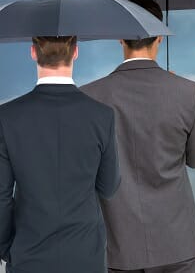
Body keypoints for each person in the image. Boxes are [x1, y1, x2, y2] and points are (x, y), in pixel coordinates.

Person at [82, 0, 195, 273]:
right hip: (178, 244)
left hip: (117, 247)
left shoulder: (89, 96)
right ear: (160, 37)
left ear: (120, 38)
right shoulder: (188, 92)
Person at [0, 36, 120, 272]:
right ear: (75, 52)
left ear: (33, 52)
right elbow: (109, 187)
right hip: (86, 256)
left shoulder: (7, 117)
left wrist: (7, 248)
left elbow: (1, 196)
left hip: (28, 255)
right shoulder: (102, 115)